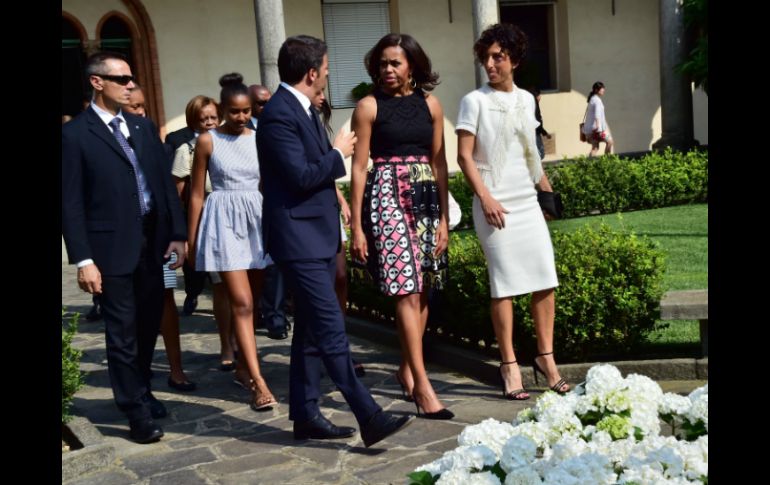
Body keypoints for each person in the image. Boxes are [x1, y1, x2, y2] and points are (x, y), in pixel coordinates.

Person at [258, 34, 414, 448]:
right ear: (311, 72)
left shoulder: (304, 108)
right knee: (330, 331)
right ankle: (369, 415)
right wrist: (339, 151)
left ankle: (306, 415)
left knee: (311, 331)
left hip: (318, 236)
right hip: (298, 241)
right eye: (325, 68)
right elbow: (301, 175)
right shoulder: (278, 115)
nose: (328, 73)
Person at [62, 52, 187, 443]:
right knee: (122, 332)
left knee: (149, 323)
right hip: (109, 248)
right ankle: (133, 410)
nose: (131, 84)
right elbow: (70, 202)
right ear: (98, 82)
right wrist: (84, 259)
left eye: (132, 78)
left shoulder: (143, 127)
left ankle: (142, 388)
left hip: (154, 243)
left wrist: (178, 234)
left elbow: (164, 186)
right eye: (123, 78)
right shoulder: (75, 134)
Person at [455, 24, 570, 400]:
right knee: (504, 287)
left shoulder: (526, 99)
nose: (490, 64)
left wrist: (546, 193)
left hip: (526, 202)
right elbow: (464, 157)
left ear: (515, 60)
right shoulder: (475, 101)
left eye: (498, 57)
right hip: (494, 204)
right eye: (486, 57)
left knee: (544, 281)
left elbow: (531, 152)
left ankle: (546, 359)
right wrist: (485, 198)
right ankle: (508, 364)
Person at [349, 33, 452, 420]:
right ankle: (423, 387)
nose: (387, 70)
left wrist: (444, 217)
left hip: (426, 194)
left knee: (422, 287)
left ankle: (407, 369)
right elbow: (359, 167)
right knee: (405, 289)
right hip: (387, 196)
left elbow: (440, 162)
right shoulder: (368, 106)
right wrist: (357, 227)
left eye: (395, 63)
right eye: (382, 63)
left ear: (412, 66)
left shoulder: (431, 104)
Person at [187, 73, 277, 411]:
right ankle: (259, 382)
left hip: (257, 220)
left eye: (246, 111)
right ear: (223, 108)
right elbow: (196, 194)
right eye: (235, 111)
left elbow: (268, 185)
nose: (241, 117)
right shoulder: (207, 141)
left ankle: (242, 366)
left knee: (252, 304)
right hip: (223, 221)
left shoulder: (259, 138)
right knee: (240, 302)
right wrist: (193, 239)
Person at [124, 85, 196, 392]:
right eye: (134, 108)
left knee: (165, 300)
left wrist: (178, 236)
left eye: (143, 107)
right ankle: (137, 368)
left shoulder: (157, 143)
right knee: (133, 309)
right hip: (125, 242)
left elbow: (170, 193)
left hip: (159, 238)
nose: (141, 113)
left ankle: (175, 369)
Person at [170, 95, 237, 372]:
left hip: (240, 219)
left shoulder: (232, 141)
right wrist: (191, 233)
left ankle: (243, 340)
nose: (209, 123)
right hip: (214, 221)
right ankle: (226, 344)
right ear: (193, 121)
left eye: (212, 117)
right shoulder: (186, 149)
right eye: (203, 119)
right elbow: (184, 195)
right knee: (221, 286)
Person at [247, 84, 291, 341]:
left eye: (268, 101)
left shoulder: (277, 125)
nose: (265, 107)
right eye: (260, 103)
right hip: (248, 202)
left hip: (274, 201)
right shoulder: (243, 129)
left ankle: (276, 316)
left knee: (274, 262)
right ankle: (258, 312)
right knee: (256, 262)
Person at [582, 81, 614, 157]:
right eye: (602, 89)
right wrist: (598, 127)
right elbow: (597, 114)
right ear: (596, 90)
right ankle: (607, 161)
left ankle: (589, 163)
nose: (603, 90)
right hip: (596, 130)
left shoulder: (592, 99)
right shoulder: (597, 100)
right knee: (610, 142)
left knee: (595, 147)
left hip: (589, 130)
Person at [529, 87, 552, 160]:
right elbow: (536, 120)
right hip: (533, 133)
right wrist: (544, 132)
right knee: (539, 155)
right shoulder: (532, 102)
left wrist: (544, 133)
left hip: (533, 132)